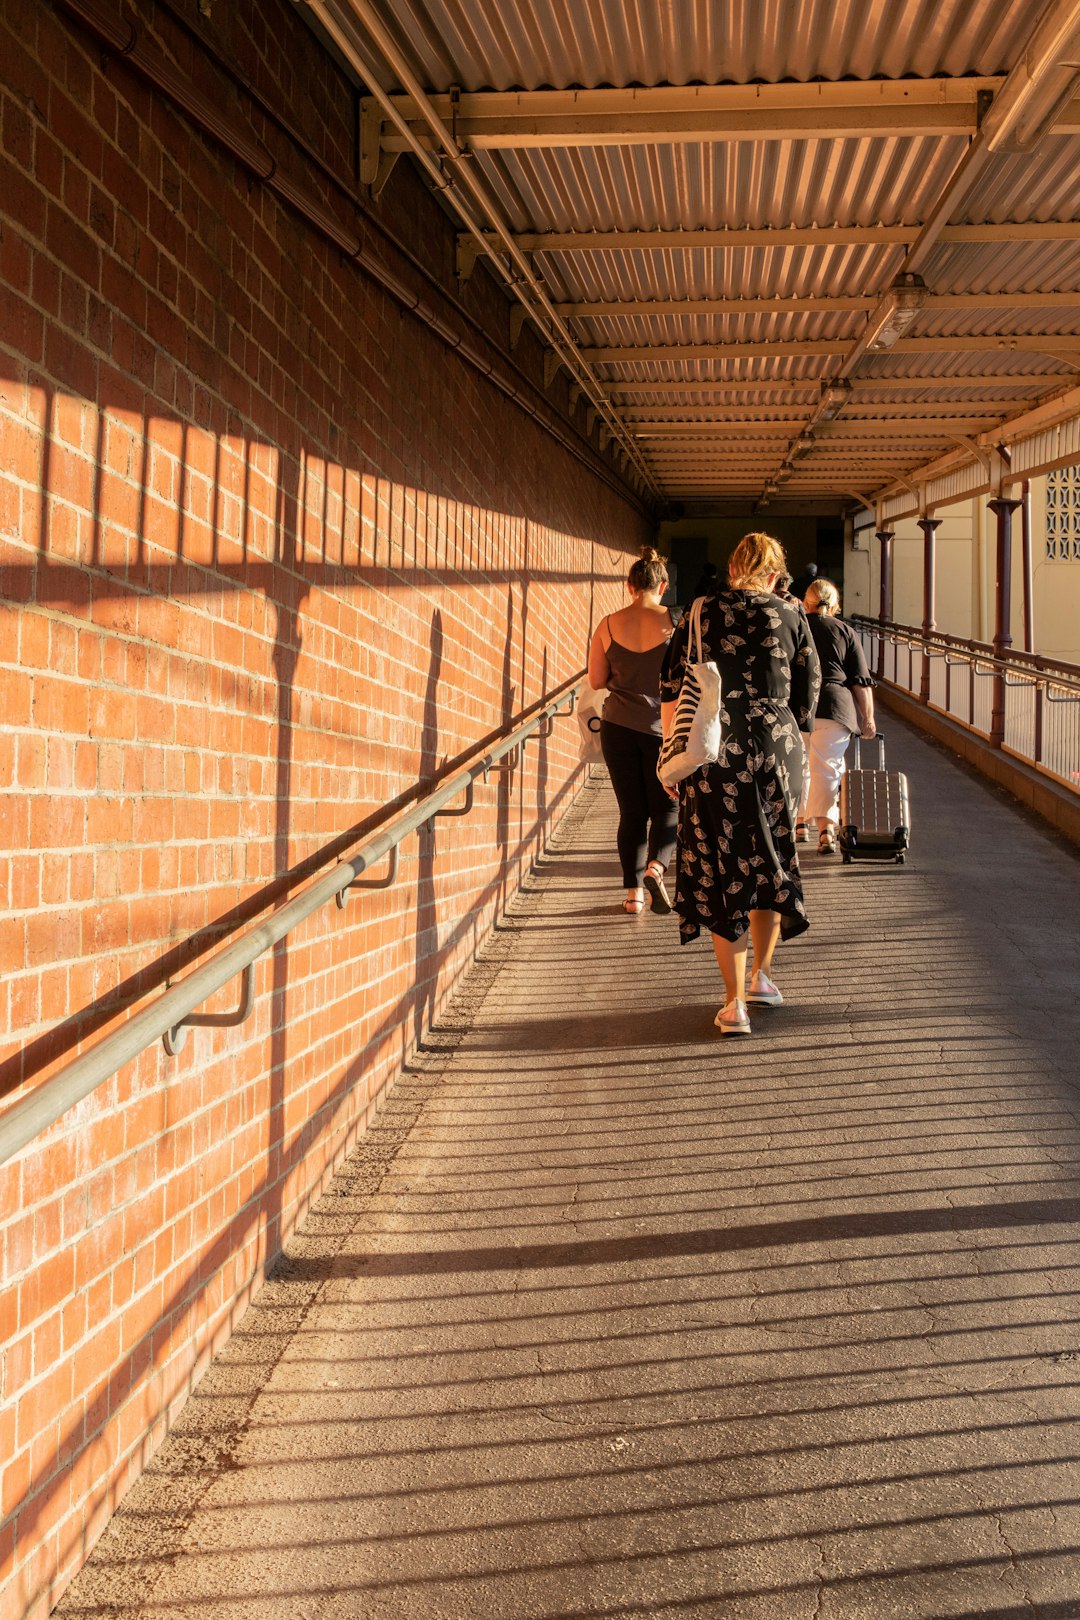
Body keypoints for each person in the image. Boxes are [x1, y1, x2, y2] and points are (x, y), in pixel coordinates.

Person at [660, 532, 821, 1036]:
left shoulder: (699, 610)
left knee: (720, 861)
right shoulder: (792, 615)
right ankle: (762, 979)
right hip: (777, 747)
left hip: (713, 746)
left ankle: (733, 1006)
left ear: (733, 569)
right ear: (775, 573)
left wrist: (672, 756)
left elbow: (670, 686)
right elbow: (808, 697)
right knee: (771, 858)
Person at [588, 546, 679, 915]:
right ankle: (657, 867)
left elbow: (596, 680)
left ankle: (632, 895)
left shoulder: (607, 624)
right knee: (666, 806)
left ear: (629, 586)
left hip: (618, 727)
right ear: (664, 585)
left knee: (630, 811)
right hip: (665, 729)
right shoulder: (678, 623)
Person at [800, 577, 876, 854]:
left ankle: (798, 823)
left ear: (805, 602)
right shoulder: (845, 631)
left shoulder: (796, 626)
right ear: (836, 605)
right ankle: (825, 830)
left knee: (800, 765)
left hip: (799, 705)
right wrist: (867, 718)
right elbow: (860, 680)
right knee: (827, 768)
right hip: (835, 707)